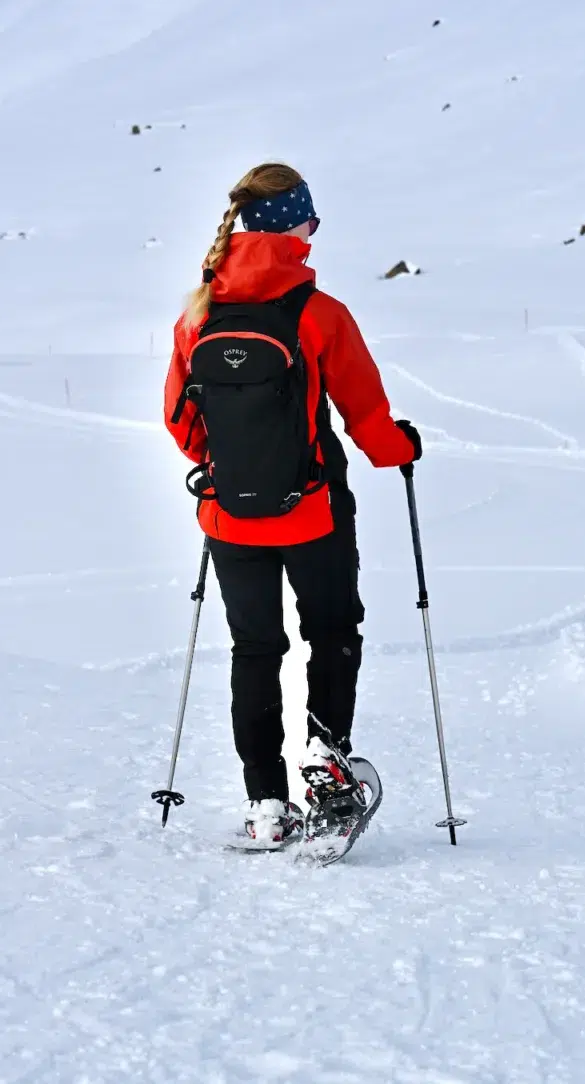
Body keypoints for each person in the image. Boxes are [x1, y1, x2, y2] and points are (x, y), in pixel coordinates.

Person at [164, 162, 421, 846]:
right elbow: (368, 418)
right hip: (314, 511)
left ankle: (266, 804)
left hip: (228, 517)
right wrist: (403, 450)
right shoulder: (321, 314)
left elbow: (180, 423)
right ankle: (324, 756)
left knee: (254, 648)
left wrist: (234, 466)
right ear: (297, 226)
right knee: (332, 631)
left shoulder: (197, 314)